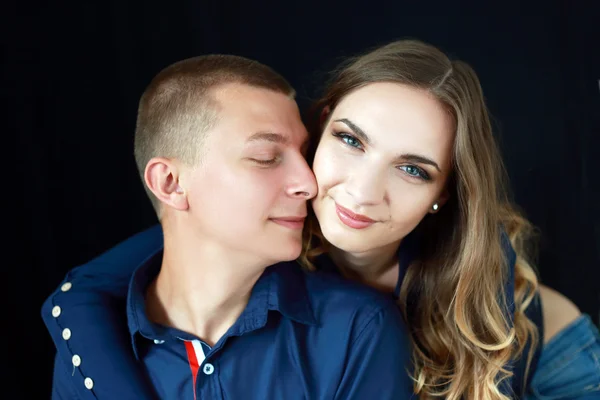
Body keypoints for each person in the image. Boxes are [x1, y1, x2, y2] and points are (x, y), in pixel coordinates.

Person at [43, 40, 600, 399]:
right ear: (324, 124)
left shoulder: (473, 274)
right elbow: (77, 294)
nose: (360, 190)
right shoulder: (277, 214)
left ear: (444, 193)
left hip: (545, 361)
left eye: (412, 168)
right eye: (351, 140)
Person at [41, 54, 414, 399]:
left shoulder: (355, 330)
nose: (308, 182)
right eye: (267, 158)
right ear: (170, 183)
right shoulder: (86, 352)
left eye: (304, 155)